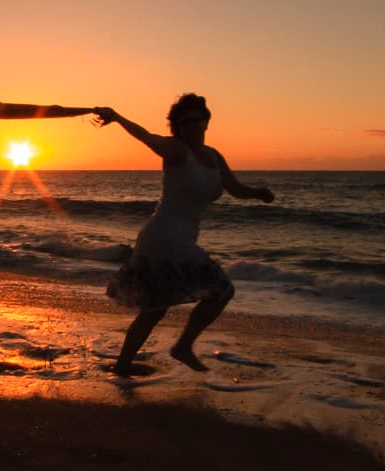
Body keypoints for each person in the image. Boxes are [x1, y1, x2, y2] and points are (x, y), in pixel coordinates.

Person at [94, 94, 274, 375]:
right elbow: (145, 136)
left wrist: (257, 194)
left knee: (156, 307)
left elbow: (234, 188)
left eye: (196, 120)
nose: (191, 126)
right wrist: (116, 117)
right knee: (222, 290)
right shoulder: (176, 150)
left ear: (206, 121)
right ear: (178, 127)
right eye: (184, 122)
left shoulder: (214, 156)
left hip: (174, 238)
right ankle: (182, 347)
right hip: (165, 237)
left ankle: (124, 364)